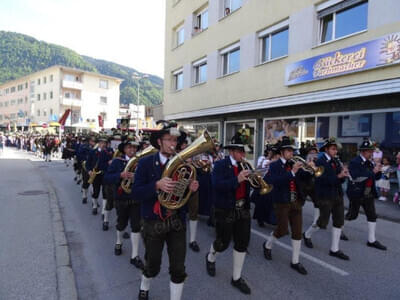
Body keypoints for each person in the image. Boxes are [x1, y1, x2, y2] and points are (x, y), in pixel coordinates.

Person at [134, 120, 199, 300]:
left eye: (175, 141)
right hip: (153, 221)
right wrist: (156, 185)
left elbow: (183, 196)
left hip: (176, 221)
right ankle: (144, 286)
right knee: (152, 265)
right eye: (168, 139)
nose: (172, 144)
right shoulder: (146, 163)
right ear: (159, 142)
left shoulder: (183, 164)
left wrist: (191, 189)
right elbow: (136, 192)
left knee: (178, 268)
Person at [205, 134, 252, 295]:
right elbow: (217, 186)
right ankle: (211, 256)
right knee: (223, 243)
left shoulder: (245, 165)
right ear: (232, 152)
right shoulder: (220, 165)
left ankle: (236, 278)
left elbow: (249, 188)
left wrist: (256, 182)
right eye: (240, 152)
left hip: (243, 209)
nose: (243, 155)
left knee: (242, 243)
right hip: (225, 209)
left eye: (243, 152)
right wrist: (237, 180)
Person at [262, 136, 308, 275]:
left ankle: (295, 261)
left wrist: (310, 170)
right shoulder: (275, 165)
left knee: (297, 231)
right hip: (281, 202)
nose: (291, 153)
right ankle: (268, 244)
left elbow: (303, 179)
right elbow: (272, 181)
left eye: (292, 151)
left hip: (296, 201)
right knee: (282, 230)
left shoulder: (294, 163)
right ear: (282, 152)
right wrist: (292, 172)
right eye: (288, 151)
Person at [303, 138, 349, 260]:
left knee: (338, 221)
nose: (335, 151)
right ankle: (307, 234)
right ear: (327, 149)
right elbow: (321, 181)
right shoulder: (320, 161)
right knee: (322, 222)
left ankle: (334, 249)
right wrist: (338, 176)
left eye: (336, 149)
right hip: (325, 196)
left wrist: (343, 175)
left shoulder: (336, 161)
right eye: (333, 149)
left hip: (337, 195)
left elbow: (339, 179)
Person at [104, 136, 144, 269]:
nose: (132, 149)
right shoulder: (117, 162)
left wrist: (137, 177)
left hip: (136, 198)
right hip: (121, 198)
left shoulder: (141, 162)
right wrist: (120, 175)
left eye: (134, 147)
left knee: (136, 226)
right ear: (125, 149)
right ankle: (118, 241)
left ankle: (135, 255)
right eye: (129, 147)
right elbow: (107, 178)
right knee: (121, 224)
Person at [345, 139, 387, 250]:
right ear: (363, 152)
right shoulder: (355, 162)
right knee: (352, 215)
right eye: (369, 151)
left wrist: (378, 171)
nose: (372, 153)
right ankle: (339, 227)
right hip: (357, 192)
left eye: (372, 151)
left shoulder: (370, 162)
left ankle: (371, 240)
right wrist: (372, 172)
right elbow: (357, 178)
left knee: (372, 215)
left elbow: (374, 177)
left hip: (368, 193)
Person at [86, 136, 113, 216]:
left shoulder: (110, 152)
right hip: (96, 174)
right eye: (101, 142)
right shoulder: (92, 152)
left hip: (105, 174)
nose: (103, 144)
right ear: (99, 143)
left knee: (105, 193)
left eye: (105, 143)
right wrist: (89, 171)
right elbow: (88, 163)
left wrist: (112, 161)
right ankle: (94, 206)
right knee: (96, 192)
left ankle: (103, 211)